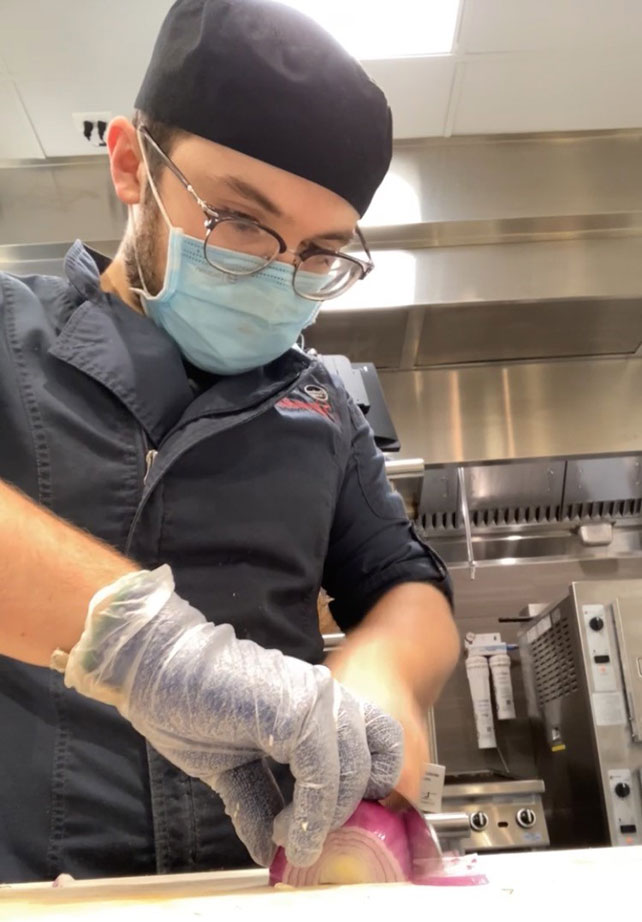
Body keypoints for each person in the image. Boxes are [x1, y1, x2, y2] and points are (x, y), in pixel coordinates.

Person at [0, 0, 459, 884]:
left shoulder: (322, 406)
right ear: (132, 164)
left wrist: (383, 676)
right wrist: (142, 650)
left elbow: (405, 586)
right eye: (241, 222)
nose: (277, 274)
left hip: (251, 883)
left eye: (318, 252)